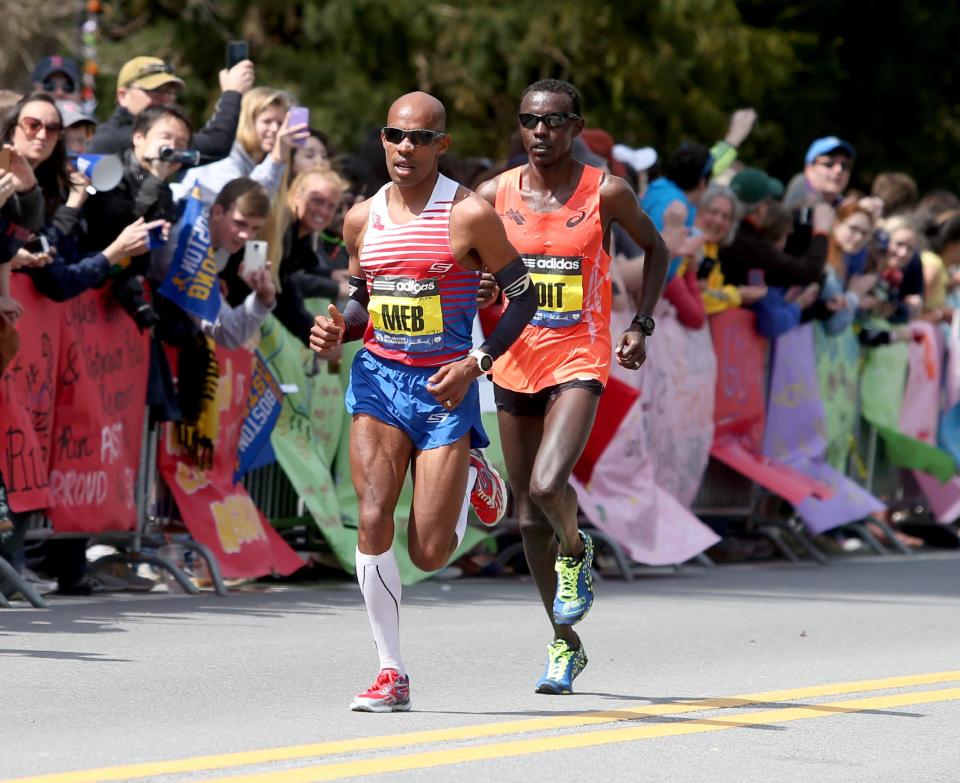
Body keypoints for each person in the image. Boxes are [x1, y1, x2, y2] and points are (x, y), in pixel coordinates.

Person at [309, 91, 536, 713]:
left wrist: (477, 364)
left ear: (442, 145)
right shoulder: (361, 218)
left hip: (445, 386)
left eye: (419, 138)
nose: (405, 148)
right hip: (380, 380)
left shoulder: (468, 215)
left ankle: (472, 475)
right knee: (374, 511)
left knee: (428, 553)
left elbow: (524, 298)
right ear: (383, 140)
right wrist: (339, 328)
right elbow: (363, 297)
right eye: (394, 136)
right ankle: (390, 670)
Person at [475, 79, 669, 695]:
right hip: (514, 359)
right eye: (530, 122)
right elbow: (468, 267)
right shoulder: (494, 194)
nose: (540, 133)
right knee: (527, 516)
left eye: (554, 122)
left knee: (547, 483)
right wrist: (481, 287)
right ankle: (564, 643)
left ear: (575, 126)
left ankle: (576, 545)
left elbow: (658, 250)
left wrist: (640, 324)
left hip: (580, 355)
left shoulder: (605, 192)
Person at [90, 55, 253, 160]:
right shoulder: (112, 140)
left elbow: (215, 144)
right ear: (123, 96)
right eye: (154, 91)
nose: (164, 100)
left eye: (169, 93)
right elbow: (217, 144)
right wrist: (232, 93)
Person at [173, 87, 306, 204]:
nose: (275, 129)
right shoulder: (225, 157)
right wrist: (276, 158)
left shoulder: (258, 161)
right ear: (247, 122)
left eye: (280, 123)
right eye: (267, 121)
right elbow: (245, 204)